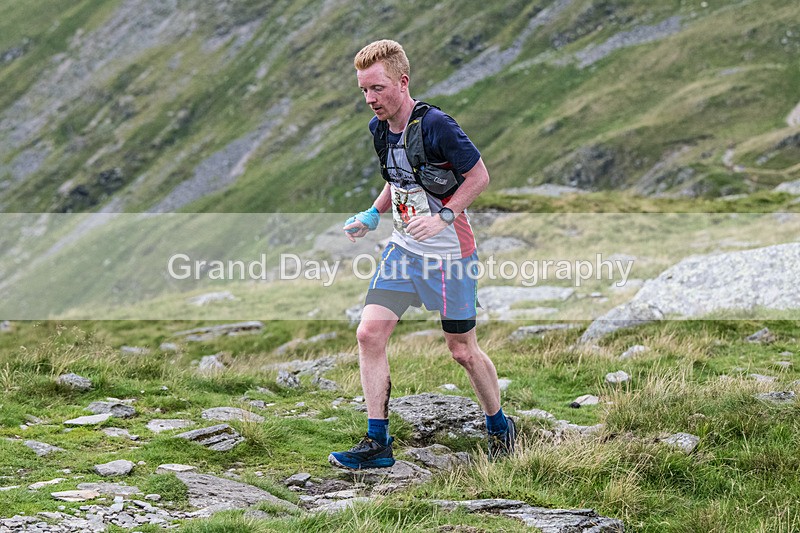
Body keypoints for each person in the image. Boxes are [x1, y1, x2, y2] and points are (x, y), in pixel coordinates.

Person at [328, 39, 515, 470]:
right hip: (404, 251)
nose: (370, 99)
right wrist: (373, 215)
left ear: (402, 81)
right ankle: (377, 445)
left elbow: (479, 176)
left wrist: (444, 217)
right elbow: (400, 177)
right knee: (368, 334)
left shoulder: (437, 126)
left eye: (377, 88)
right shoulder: (379, 130)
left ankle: (500, 426)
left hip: (451, 254)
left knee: (462, 350)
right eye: (363, 91)